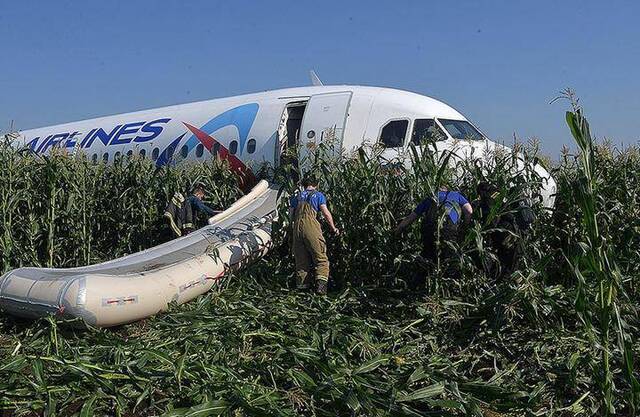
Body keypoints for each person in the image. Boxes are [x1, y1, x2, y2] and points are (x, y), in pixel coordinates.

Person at [394, 186, 473, 268]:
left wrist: (398, 230)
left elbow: (411, 218)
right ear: (447, 189)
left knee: (427, 260)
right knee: (449, 261)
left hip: (431, 231)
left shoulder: (430, 198)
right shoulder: (456, 195)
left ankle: (426, 277)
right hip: (449, 229)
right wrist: (464, 228)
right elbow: (469, 211)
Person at [289, 175, 339, 295]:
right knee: (321, 259)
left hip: (297, 228)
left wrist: (291, 230)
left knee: (301, 261)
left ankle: (302, 291)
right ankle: (321, 289)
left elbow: (291, 214)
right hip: (311, 226)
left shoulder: (296, 197)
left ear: (304, 185)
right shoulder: (318, 195)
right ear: (316, 185)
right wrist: (333, 227)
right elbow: (326, 213)